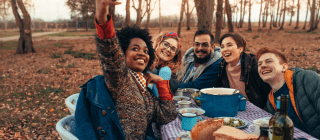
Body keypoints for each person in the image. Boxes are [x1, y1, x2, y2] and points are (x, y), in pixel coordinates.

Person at [75, 0, 178, 139]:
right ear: (122, 53)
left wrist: (160, 81)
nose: (142, 53)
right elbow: (109, 48)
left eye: (146, 51)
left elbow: (167, 115)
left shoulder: (144, 88)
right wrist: (102, 11)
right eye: (135, 49)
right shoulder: (120, 78)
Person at [257, 47, 320, 139]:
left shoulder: (307, 79)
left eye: (269, 61)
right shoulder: (271, 100)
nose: (262, 66)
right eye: (259, 64)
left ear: (284, 67)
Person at [215, 33, 271, 110]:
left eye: (229, 45)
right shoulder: (221, 68)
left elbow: (269, 92)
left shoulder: (254, 65)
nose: (225, 49)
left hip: (258, 110)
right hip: (235, 108)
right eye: (222, 47)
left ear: (240, 49)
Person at [148, 32, 182, 97]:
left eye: (173, 49)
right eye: (166, 44)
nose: (168, 49)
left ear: (175, 54)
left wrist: (161, 78)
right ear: (159, 43)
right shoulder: (145, 61)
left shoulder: (171, 72)